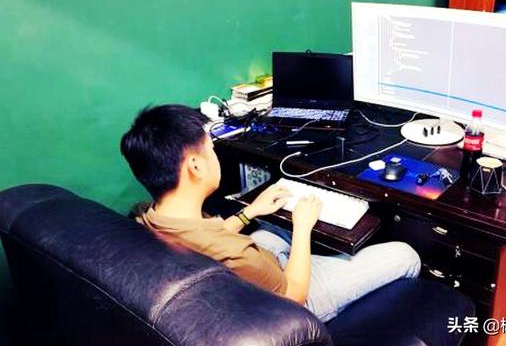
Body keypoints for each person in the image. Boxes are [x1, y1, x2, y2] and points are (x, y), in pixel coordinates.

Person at [120, 104, 421, 322]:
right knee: (404, 254)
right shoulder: (234, 253)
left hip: (252, 275)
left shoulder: (148, 217)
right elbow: (294, 296)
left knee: (272, 229)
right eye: (211, 149)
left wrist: (250, 212)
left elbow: (207, 239)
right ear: (196, 166)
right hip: (291, 298)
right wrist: (302, 228)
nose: (215, 155)